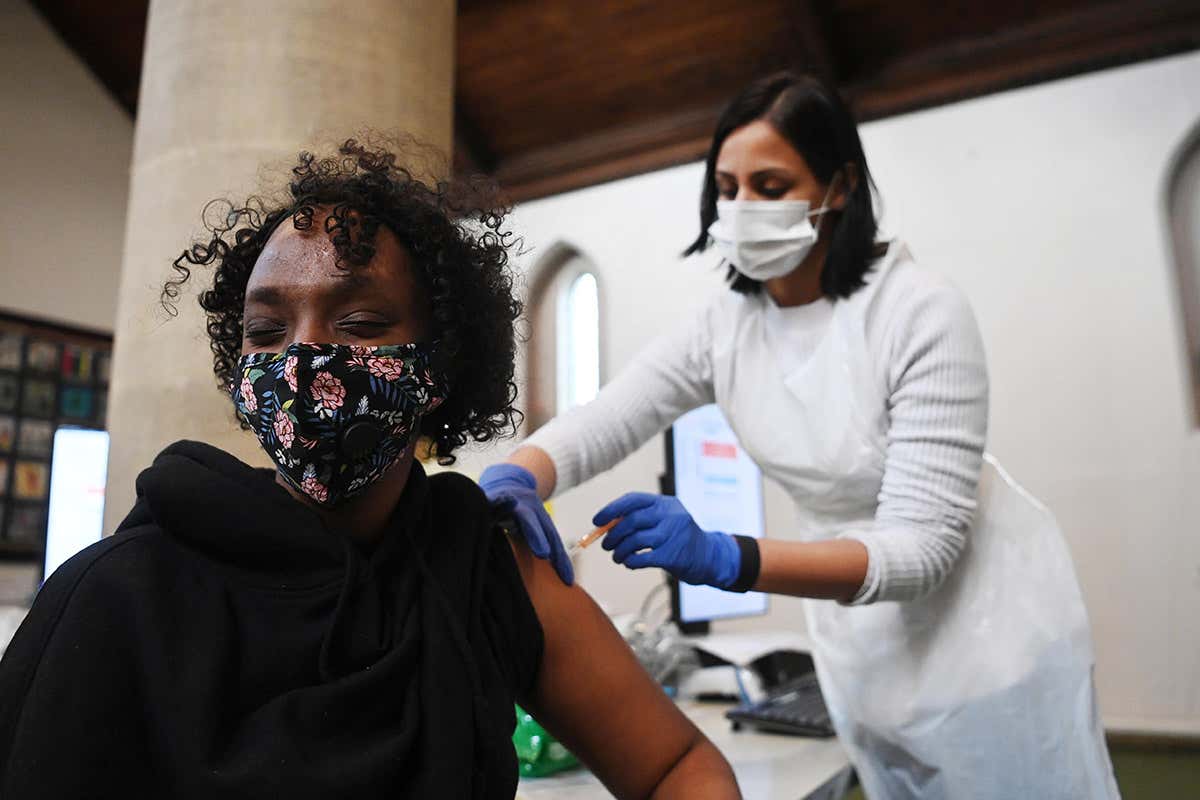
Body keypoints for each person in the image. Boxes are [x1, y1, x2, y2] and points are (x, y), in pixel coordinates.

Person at [0, 138, 740, 800]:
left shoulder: (486, 570)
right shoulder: (120, 595)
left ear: (439, 368)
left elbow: (679, 767)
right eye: (266, 331)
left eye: (357, 324)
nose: (302, 359)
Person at [482, 74, 1120, 799]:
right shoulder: (725, 324)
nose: (741, 208)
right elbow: (611, 415)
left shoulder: (920, 312)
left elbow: (924, 550)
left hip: (982, 637)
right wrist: (517, 476)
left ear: (839, 188)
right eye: (727, 187)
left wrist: (727, 557)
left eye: (771, 185)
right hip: (858, 642)